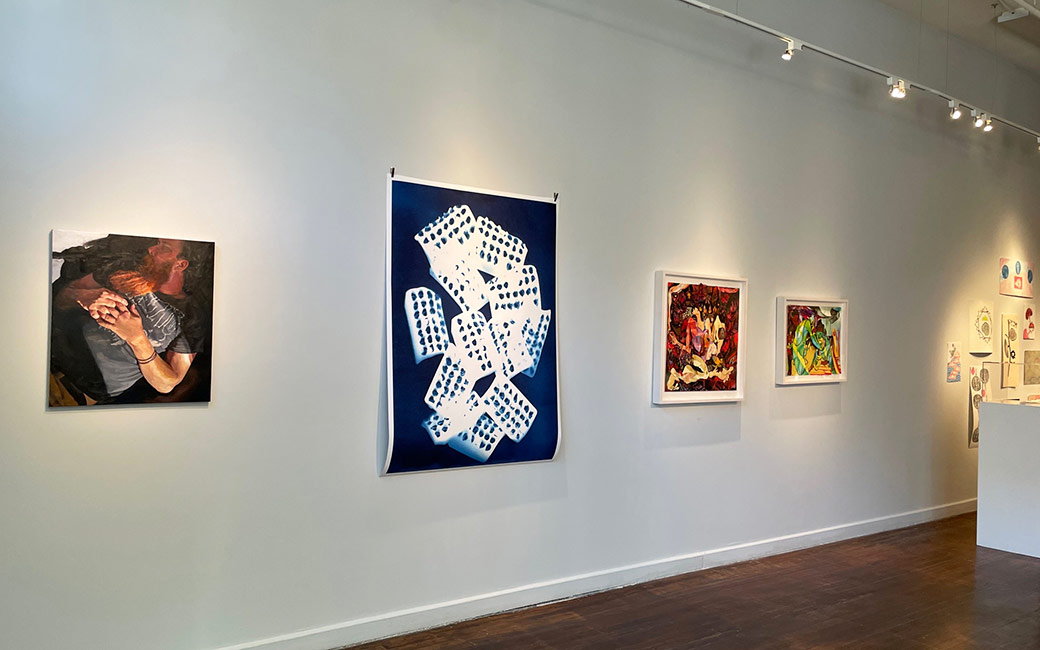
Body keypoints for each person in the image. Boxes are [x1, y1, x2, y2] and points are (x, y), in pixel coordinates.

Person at [51, 235, 213, 405]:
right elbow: (61, 298)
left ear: (181, 264)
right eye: (157, 243)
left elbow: (167, 383)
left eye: (164, 248)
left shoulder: (192, 316)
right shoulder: (126, 270)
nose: (151, 249)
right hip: (47, 356)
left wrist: (137, 338)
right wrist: (83, 296)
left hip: (78, 396)